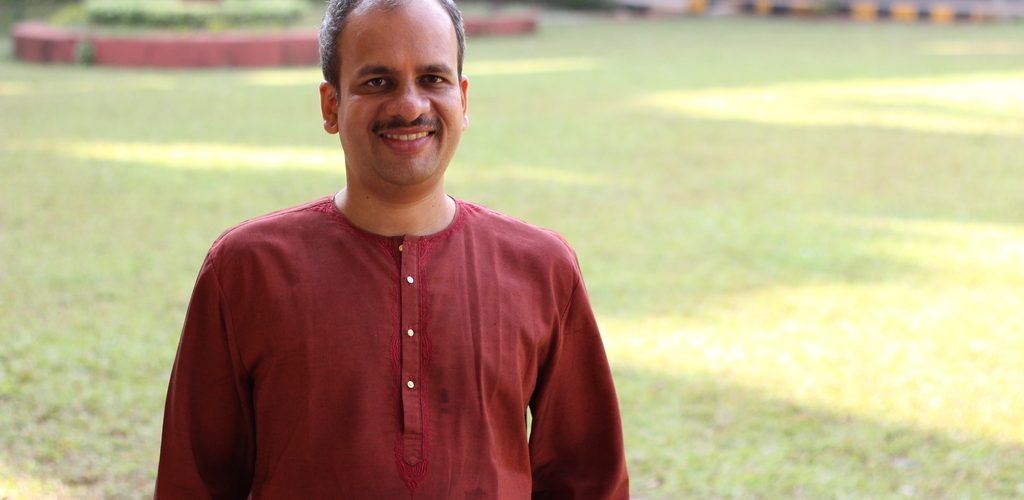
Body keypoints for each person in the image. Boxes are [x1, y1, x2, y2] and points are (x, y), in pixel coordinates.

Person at [154, 0, 628, 497]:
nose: (409, 106)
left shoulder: (541, 268)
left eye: (433, 79)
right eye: (378, 81)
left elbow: (588, 481)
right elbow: (194, 483)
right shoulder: (246, 270)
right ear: (331, 106)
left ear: (463, 99)